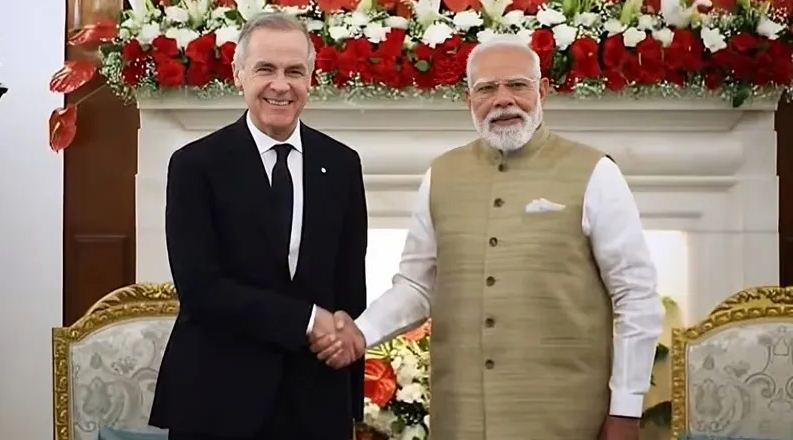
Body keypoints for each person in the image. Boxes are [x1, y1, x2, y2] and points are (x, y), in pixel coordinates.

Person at [311, 34, 665, 440]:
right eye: (486, 89)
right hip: (460, 419)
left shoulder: (596, 173)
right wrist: (361, 332)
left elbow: (635, 296)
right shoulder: (441, 175)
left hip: (567, 419)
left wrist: (626, 410)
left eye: (517, 85)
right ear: (469, 100)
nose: (503, 100)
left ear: (542, 91)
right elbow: (417, 286)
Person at [149, 12, 367, 440]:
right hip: (218, 399)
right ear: (239, 74)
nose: (280, 85)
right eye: (266, 69)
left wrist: (343, 332)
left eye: (294, 71)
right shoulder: (196, 165)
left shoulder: (342, 164)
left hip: (316, 399)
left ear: (311, 79)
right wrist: (308, 320)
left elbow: (349, 288)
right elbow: (200, 288)